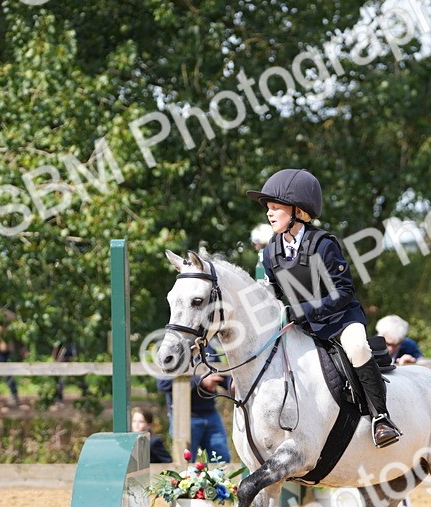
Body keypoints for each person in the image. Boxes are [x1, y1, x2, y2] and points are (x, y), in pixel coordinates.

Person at [248, 168, 401, 447]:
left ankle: (381, 419)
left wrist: (303, 310)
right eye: (268, 208)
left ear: (297, 211)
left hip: (340, 319)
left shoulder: (323, 244)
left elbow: (343, 292)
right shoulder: (270, 252)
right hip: (303, 325)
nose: (269, 213)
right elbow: (274, 294)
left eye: (276, 208)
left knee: (358, 348)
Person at [157, 347, 232, 462]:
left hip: (211, 414)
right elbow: (163, 384)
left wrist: (232, 384)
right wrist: (199, 381)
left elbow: (221, 374)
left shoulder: (208, 348)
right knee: (184, 464)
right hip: (184, 417)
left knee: (222, 462)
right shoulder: (173, 349)